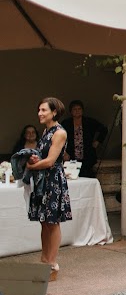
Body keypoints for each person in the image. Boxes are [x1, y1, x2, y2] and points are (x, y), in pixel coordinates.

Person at [27, 97, 71, 281]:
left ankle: (52, 264)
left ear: (54, 112)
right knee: (44, 222)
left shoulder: (59, 132)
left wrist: (31, 167)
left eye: (43, 110)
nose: (40, 113)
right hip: (43, 181)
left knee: (52, 222)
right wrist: (32, 160)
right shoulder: (46, 131)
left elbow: (52, 161)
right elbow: (41, 157)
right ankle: (45, 259)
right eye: (39, 110)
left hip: (53, 180)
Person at [61, 100, 108, 178]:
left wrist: (98, 141)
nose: (77, 111)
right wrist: (64, 152)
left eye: (79, 109)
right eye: (74, 109)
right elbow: (60, 138)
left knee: (88, 177)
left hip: (87, 156)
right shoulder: (66, 123)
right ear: (71, 111)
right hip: (71, 157)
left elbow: (104, 129)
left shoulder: (89, 122)